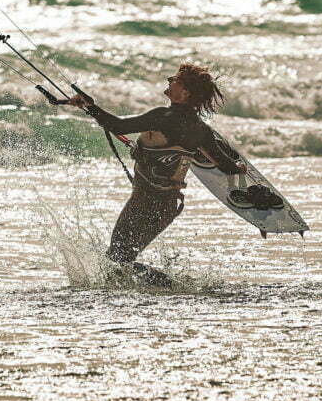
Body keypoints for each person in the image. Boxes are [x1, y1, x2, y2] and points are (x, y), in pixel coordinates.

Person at [66, 63, 253, 270]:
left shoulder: (162, 117)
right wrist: (239, 169)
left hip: (144, 201)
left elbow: (119, 126)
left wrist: (90, 106)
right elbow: (226, 166)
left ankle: (168, 286)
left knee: (117, 260)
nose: (169, 81)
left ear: (184, 93)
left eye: (174, 80)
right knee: (122, 260)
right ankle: (169, 286)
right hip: (166, 208)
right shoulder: (202, 131)